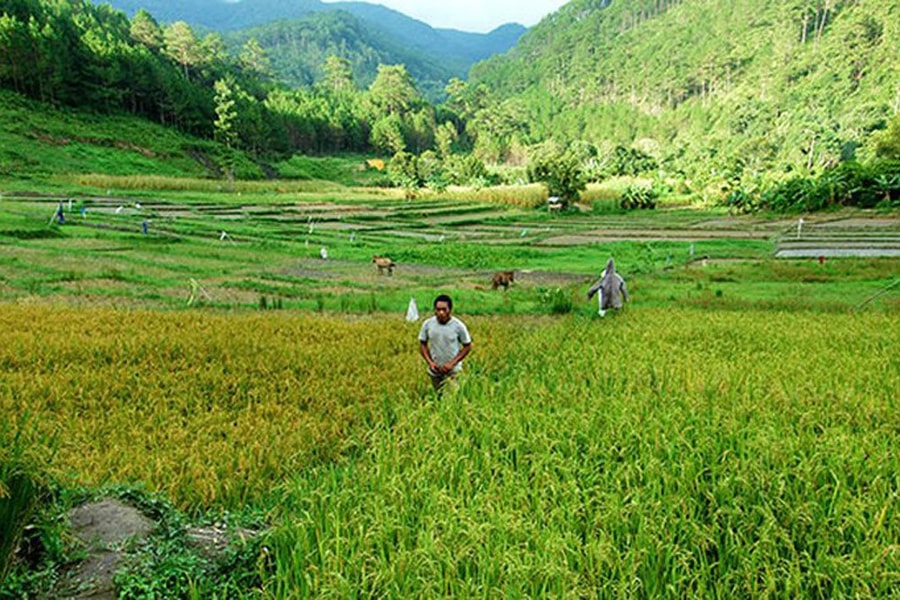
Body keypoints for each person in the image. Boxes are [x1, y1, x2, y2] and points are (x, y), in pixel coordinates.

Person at [418, 294, 472, 392]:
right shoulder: (428, 324)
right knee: (438, 396)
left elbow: (467, 346)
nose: (441, 313)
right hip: (435, 370)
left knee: (452, 399)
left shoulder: (458, 326)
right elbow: (422, 343)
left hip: (453, 371)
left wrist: (452, 364)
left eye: (444, 309)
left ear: (450, 310)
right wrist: (430, 362)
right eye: (438, 310)